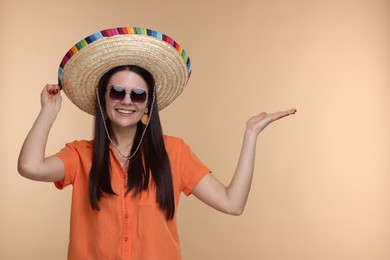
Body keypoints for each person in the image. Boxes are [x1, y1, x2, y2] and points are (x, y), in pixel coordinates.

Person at [17, 27, 296, 260]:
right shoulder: (81, 155)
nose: (127, 101)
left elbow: (232, 203)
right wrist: (48, 111)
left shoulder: (174, 152)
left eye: (138, 94)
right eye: (117, 91)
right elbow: (30, 167)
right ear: (103, 97)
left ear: (148, 103)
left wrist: (250, 134)